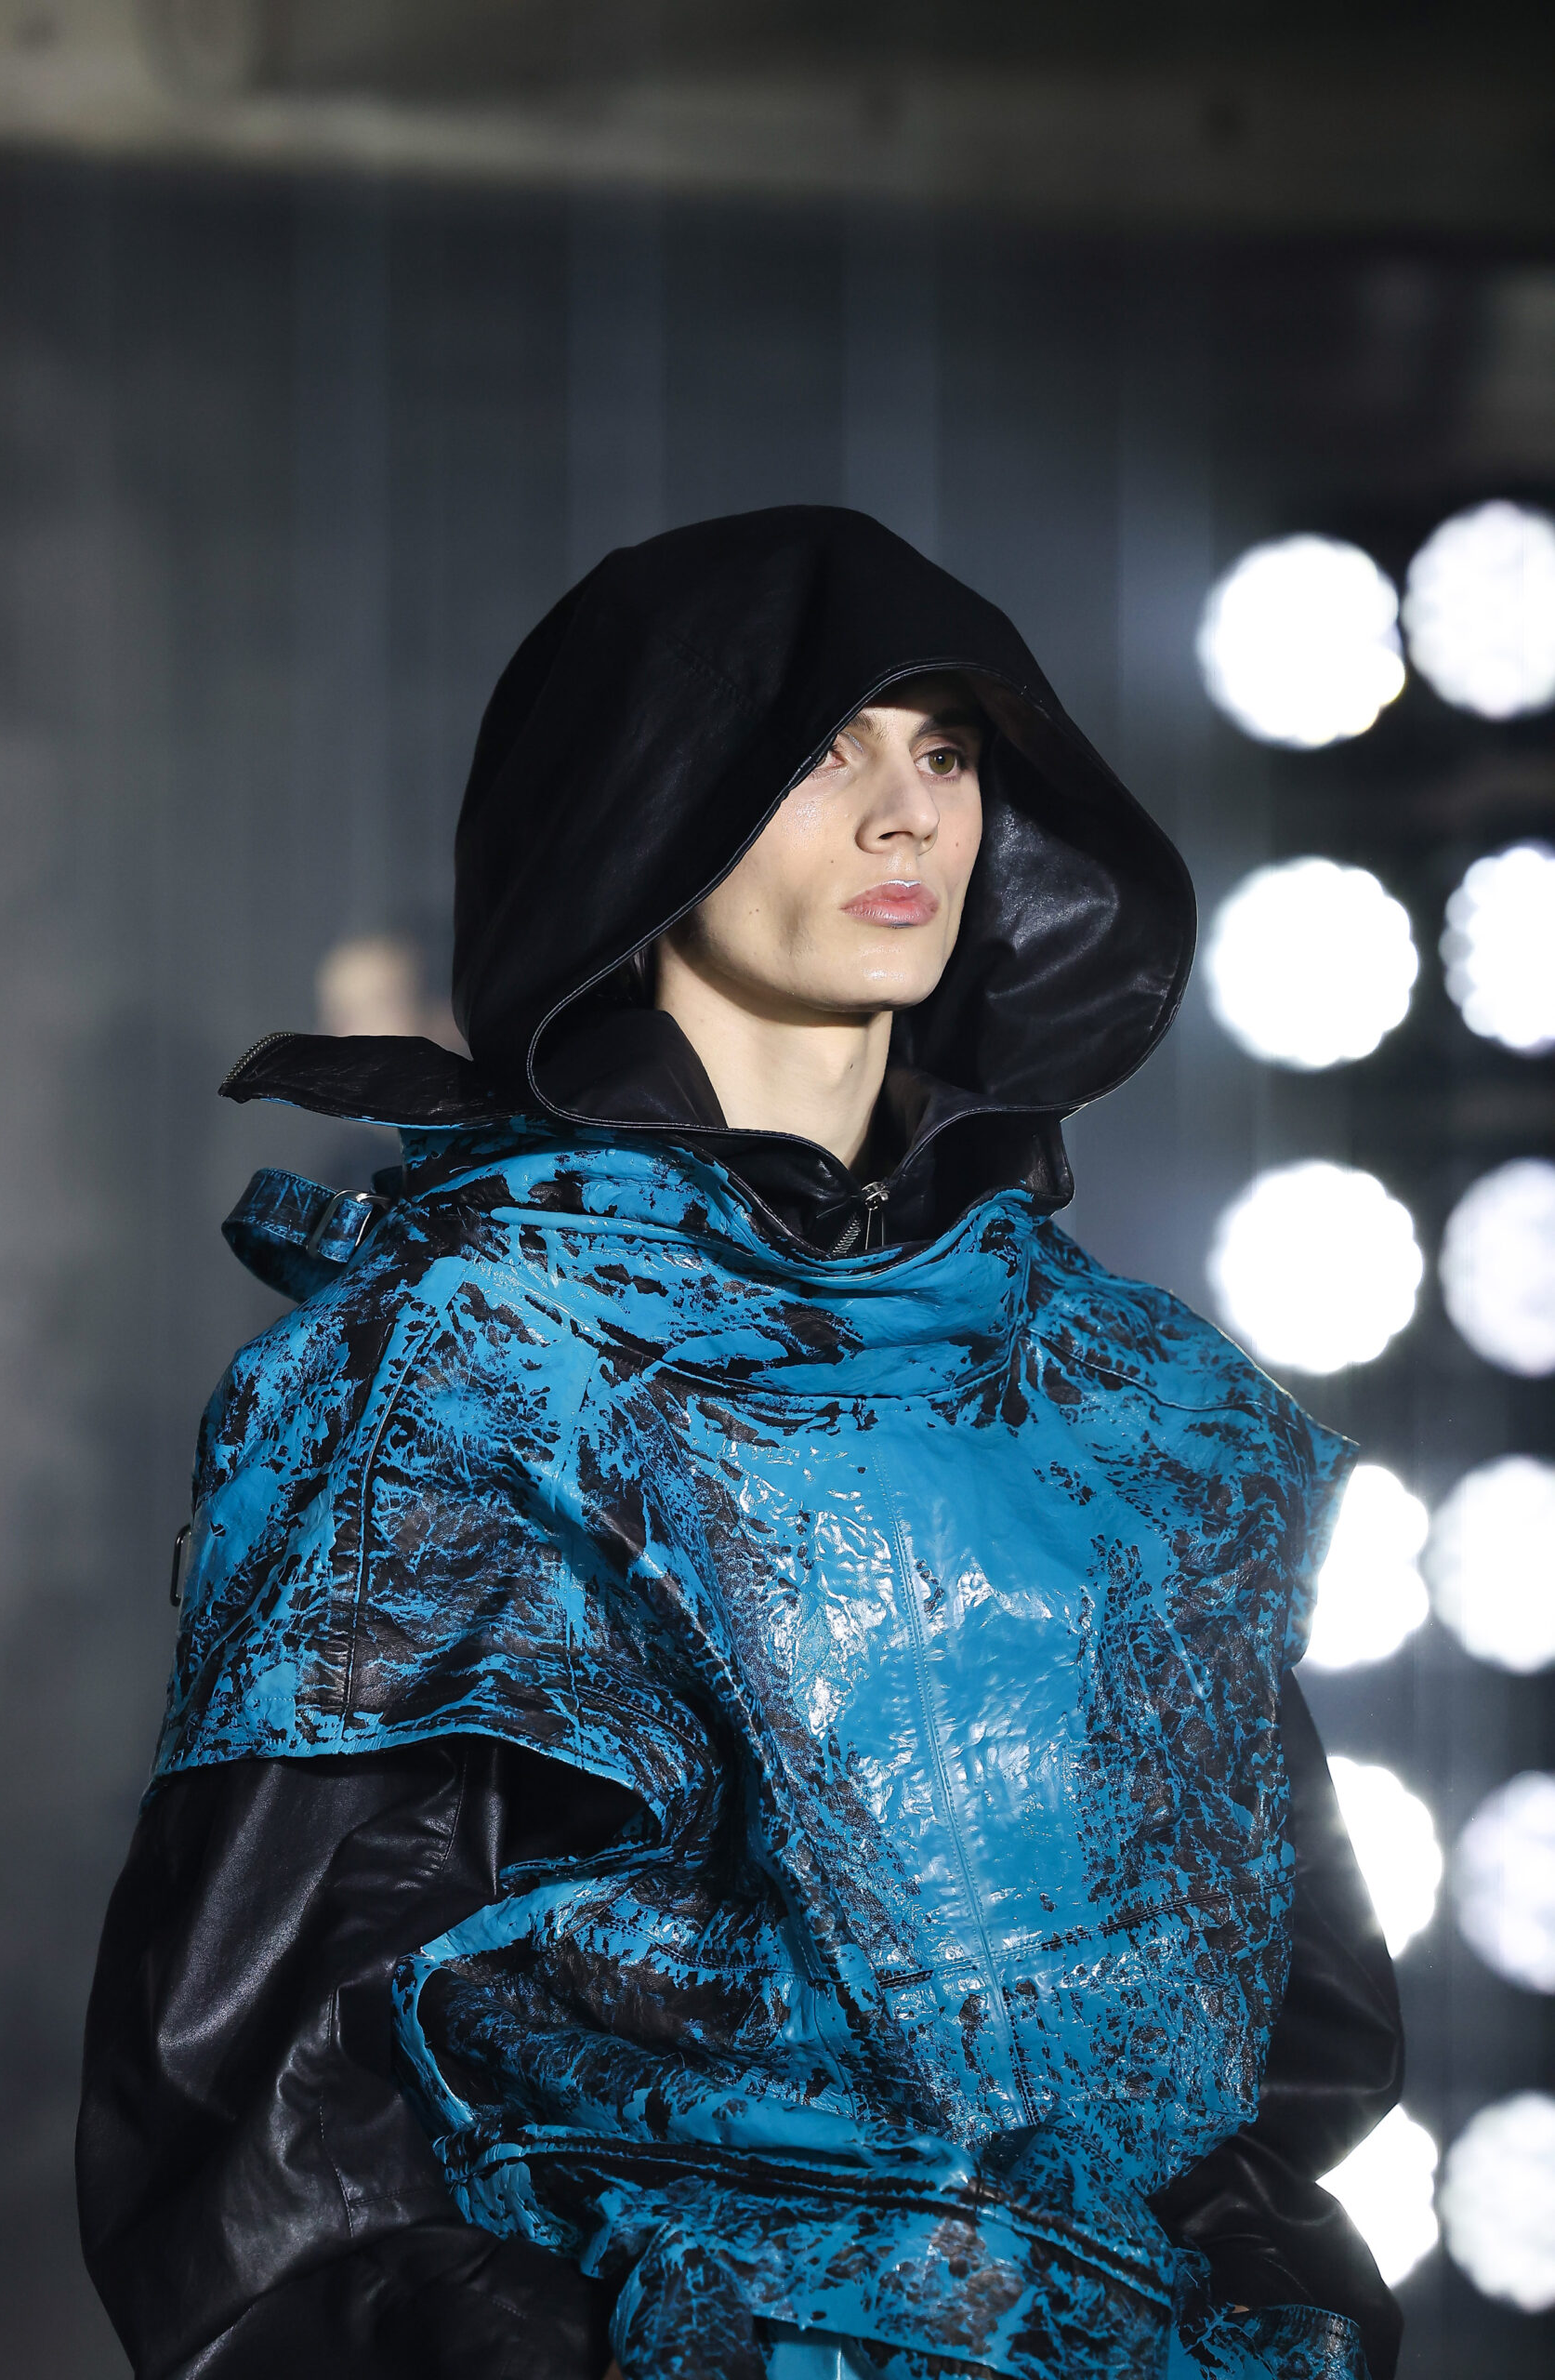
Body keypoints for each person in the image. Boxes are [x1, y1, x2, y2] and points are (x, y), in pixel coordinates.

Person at [78, 509, 1403, 2380]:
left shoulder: (1125, 1390)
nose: (907, 816)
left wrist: (1274, 2308)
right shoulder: (463, 1354)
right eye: (821, 753)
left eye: (948, 753)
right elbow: (261, 2094)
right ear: (647, 807)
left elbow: (1293, 2022)